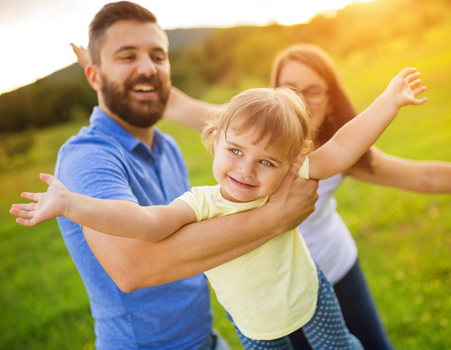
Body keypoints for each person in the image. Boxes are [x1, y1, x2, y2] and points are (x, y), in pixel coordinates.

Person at [68, 40, 451, 349]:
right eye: (288, 88)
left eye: (312, 92)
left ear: (327, 99)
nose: (298, 100)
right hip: (258, 308)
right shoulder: (247, 128)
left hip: (323, 276)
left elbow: (417, 173)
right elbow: (169, 100)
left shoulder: (307, 155)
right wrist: (105, 69)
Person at [11, 64, 428, 347]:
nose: (247, 170)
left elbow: (341, 148)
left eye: (266, 160)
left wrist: (389, 101)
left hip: (310, 297)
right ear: (214, 139)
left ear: (289, 162)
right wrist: (71, 204)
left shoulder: (288, 178)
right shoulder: (201, 203)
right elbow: (143, 220)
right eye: (235, 150)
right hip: (255, 329)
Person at [10, 2, 323, 349]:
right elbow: (133, 268)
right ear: (94, 76)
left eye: (158, 57)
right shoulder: (87, 157)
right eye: (127, 57)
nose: (148, 68)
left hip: (204, 338)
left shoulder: (168, 147)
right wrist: (273, 218)